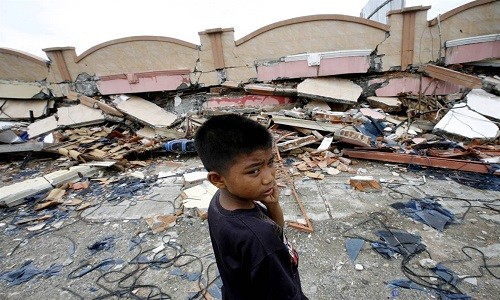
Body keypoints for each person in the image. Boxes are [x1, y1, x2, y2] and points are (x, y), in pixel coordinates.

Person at [194, 114, 308, 300]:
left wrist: (273, 205)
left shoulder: (221, 202)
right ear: (218, 179)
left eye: (270, 163)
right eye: (254, 171)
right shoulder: (259, 238)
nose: (269, 177)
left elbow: (277, 230)